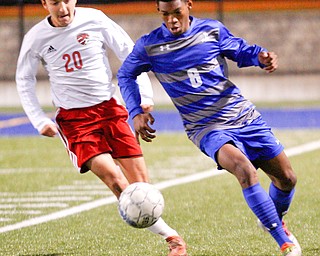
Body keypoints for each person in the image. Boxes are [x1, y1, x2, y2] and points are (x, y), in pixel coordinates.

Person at [117, 0, 301, 255]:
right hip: (205, 128)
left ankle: (274, 218)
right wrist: (135, 111)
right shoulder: (150, 45)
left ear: (189, 5)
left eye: (177, 12)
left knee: (287, 179)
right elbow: (125, 74)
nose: (171, 20)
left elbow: (240, 50)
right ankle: (284, 242)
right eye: (165, 14)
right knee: (244, 170)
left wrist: (261, 57)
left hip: (243, 116)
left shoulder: (211, 31)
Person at [15, 1, 187, 255]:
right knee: (114, 179)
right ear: (44, 4)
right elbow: (24, 78)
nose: (62, 8)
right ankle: (173, 238)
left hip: (110, 111)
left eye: (66, 0)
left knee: (142, 189)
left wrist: (144, 96)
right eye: (54, 2)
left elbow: (129, 52)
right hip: (75, 122)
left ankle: (163, 230)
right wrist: (38, 119)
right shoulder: (36, 37)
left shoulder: (95, 19)